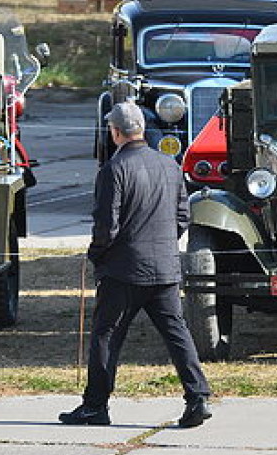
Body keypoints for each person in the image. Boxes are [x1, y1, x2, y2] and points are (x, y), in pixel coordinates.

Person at [59, 101, 212, 428]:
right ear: (141, 128)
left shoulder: (114, 170)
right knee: (177, 333)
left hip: (124, 271)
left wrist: (96, 254)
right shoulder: (169, 165)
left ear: (115, 132)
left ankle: (95, 406)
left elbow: (106, 226)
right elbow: (183, 217)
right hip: (165, 268)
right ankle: (197, 397)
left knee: (106, 336)